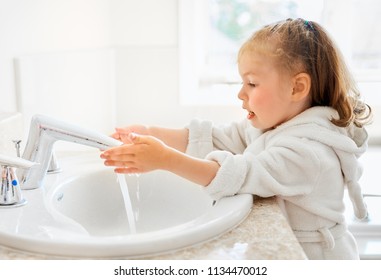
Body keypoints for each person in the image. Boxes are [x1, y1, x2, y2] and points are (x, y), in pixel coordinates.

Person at [100, 18, 372, 259]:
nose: (241, 94)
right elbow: (219, 138)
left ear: (297, 87)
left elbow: (239, 174)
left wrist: (166, 159)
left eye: (252, 83)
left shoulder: (308, 153)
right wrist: (151, 133)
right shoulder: (275, 126)